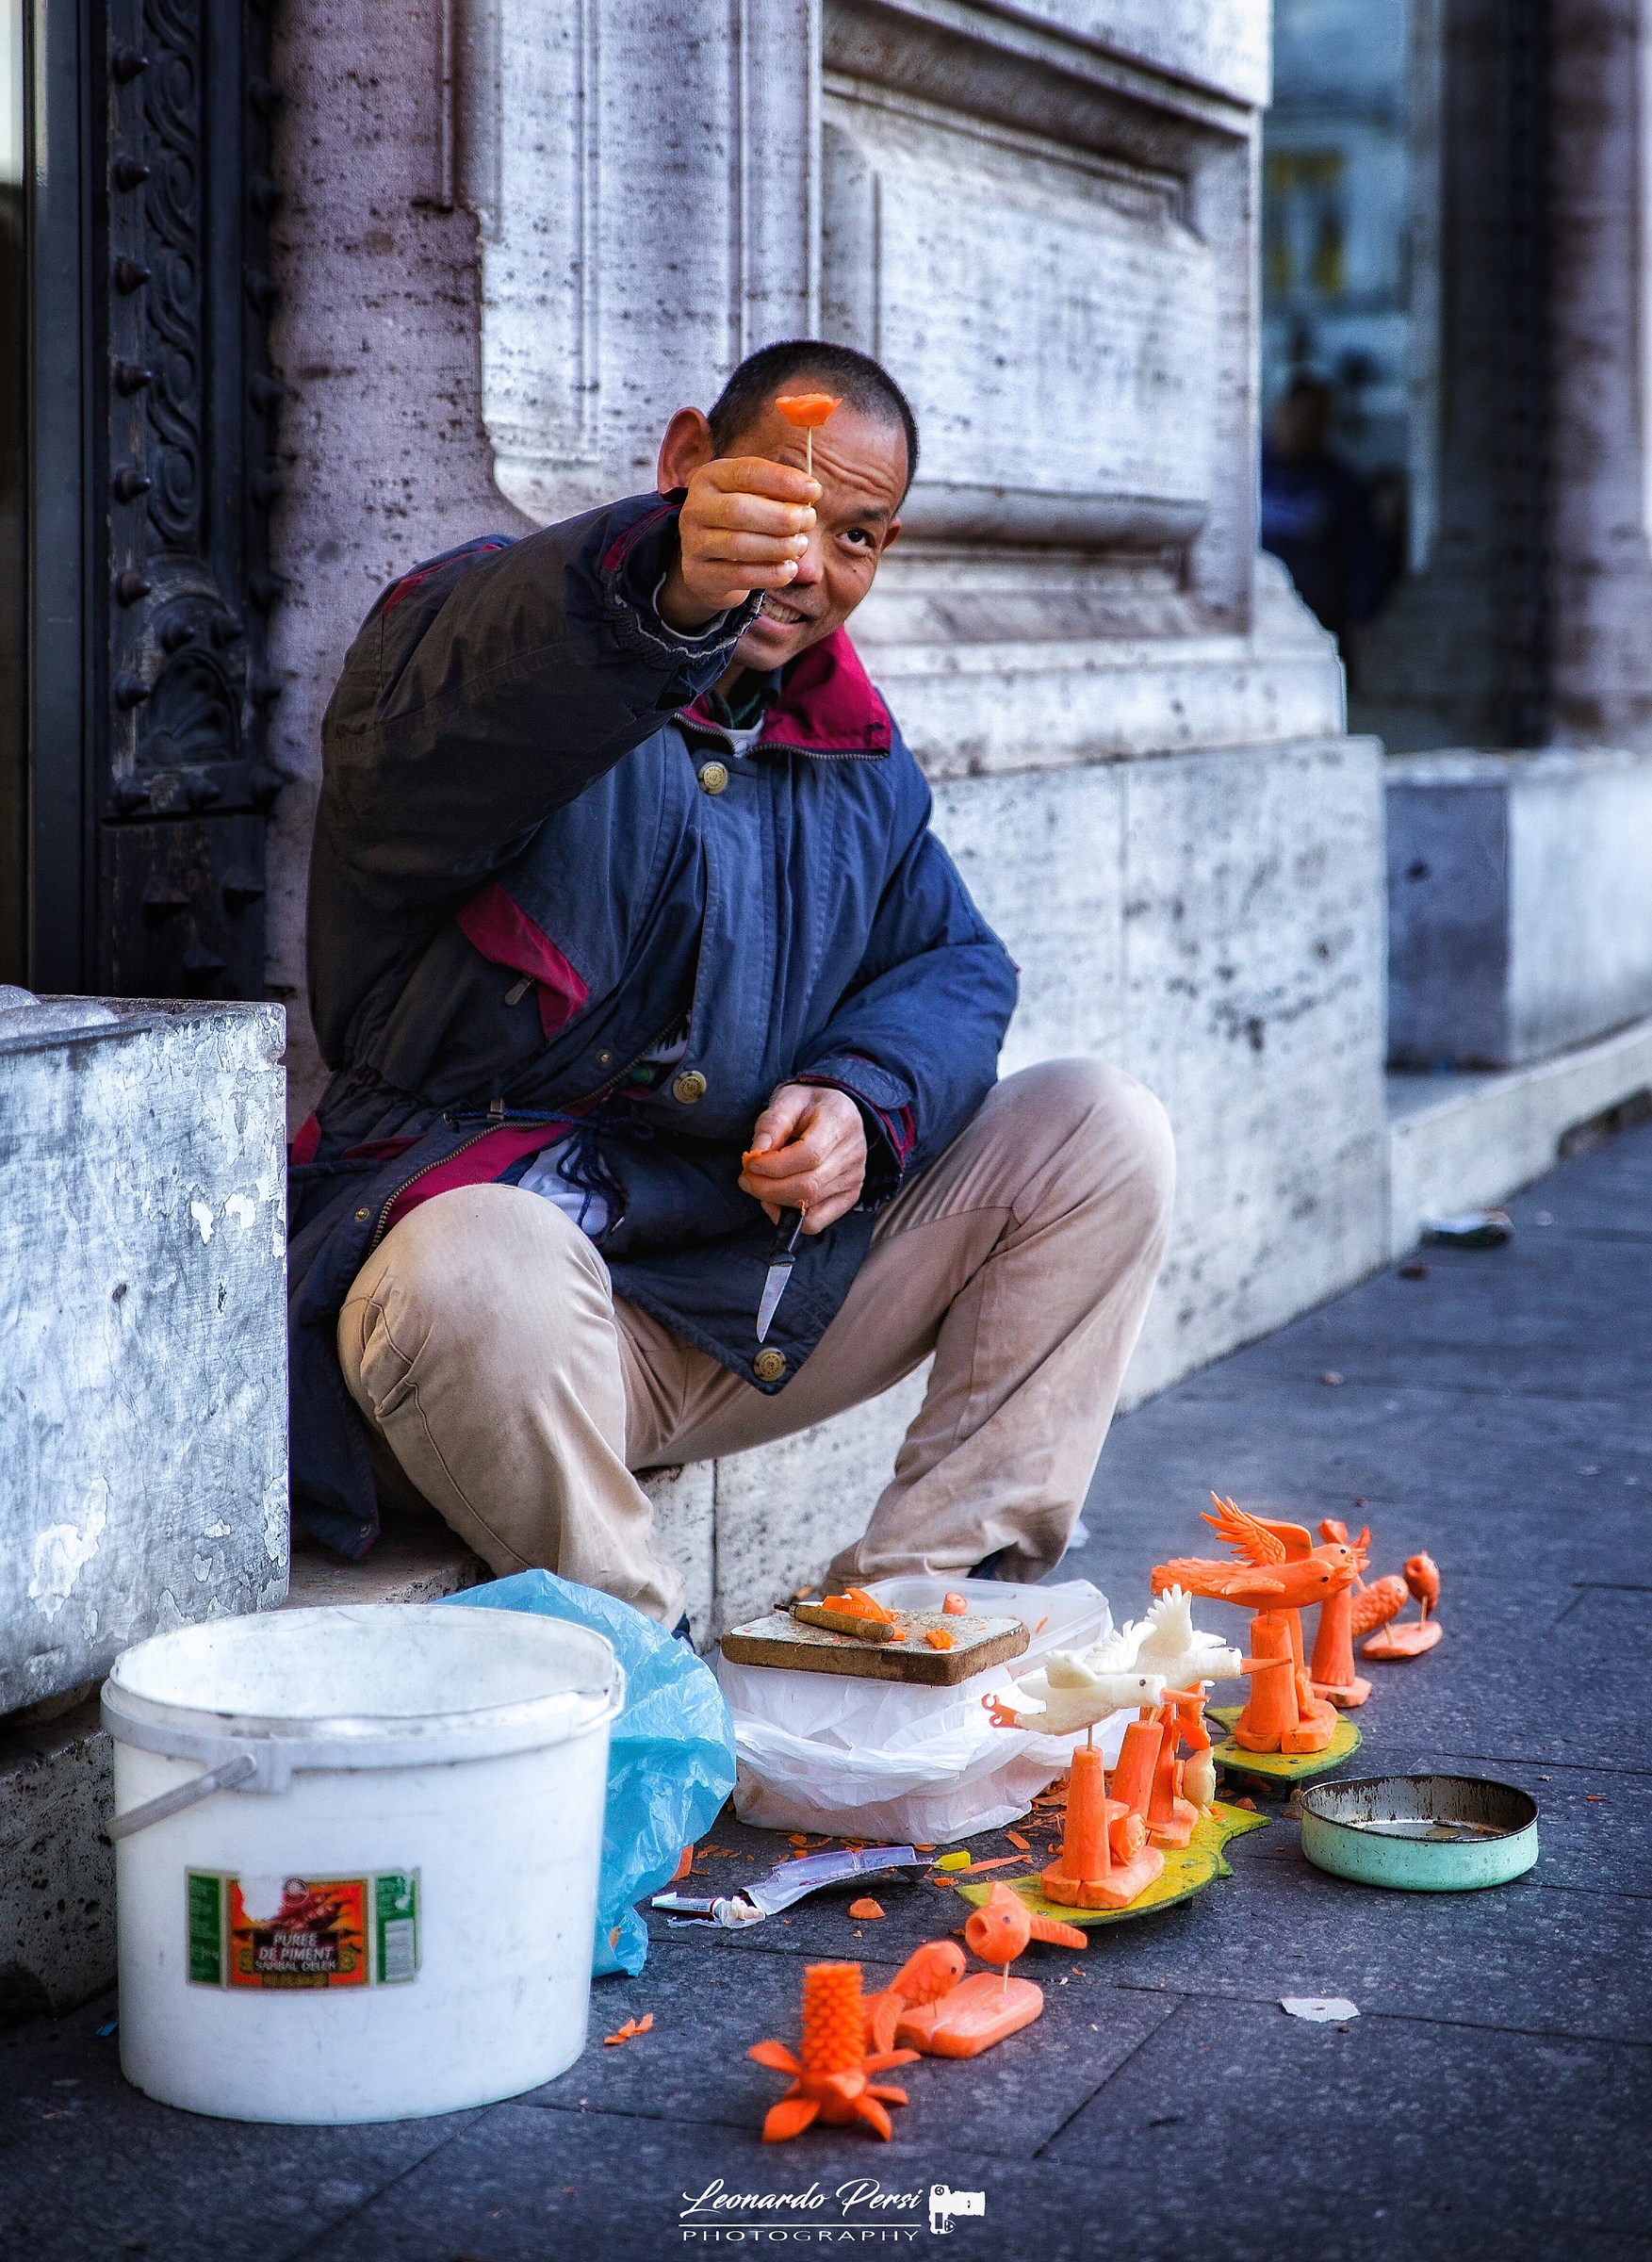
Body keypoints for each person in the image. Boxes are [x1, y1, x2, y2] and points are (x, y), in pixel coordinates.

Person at [288, 339, 1175, 1630]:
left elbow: (954, 963)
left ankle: (918, 1632)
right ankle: (649, 1679)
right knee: (477, 1261)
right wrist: (664, 588)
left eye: (858, 537)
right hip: (468, 1337)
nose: (809, 568)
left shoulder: (848, 749)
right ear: (688, 460)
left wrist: (858, 1101)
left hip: (716, 1305)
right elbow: (468, 712)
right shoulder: (493, 627)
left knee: (1100, 1131)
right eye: (784, 505)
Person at [1259, 375, 1388, 647]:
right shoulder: (1247, 469)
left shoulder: (1342, 485)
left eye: (1314, 420)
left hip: (1315, 626)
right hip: (1255, 615)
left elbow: (1367, 557)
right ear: (1280, 411)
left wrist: (1361, 615)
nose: (1300, 427)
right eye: (1295, 415)